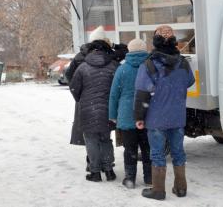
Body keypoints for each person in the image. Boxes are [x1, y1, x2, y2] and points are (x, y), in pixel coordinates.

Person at [134, 25, 195, 200]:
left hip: (156, 118)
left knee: (157, 154)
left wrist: (139, 117)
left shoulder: (149, 64)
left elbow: (142, 92)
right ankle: (181, 187)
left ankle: (159, 190)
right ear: (174, 41)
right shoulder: (182, 62)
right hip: (177, 116)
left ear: (155, 41)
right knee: (178, 152)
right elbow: (189, 81)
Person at [69, 26, 119, 182]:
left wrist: (81, 99)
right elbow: (118, 87)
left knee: (91, 140)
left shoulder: (83, 66)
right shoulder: (113, 65)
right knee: (106, 139)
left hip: (88, 109)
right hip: (107, 109)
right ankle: (109, 170)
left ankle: (95, 172)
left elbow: (74, 87)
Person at [109, 38, 151, 189]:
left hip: (127, 115)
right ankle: (149, 178)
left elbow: (114, 94)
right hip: (147, 114)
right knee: (148, 149)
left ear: (129, 51)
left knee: (130, 149)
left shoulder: (122, 69)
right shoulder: (150, 67)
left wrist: (113, 115)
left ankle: (130, 179)